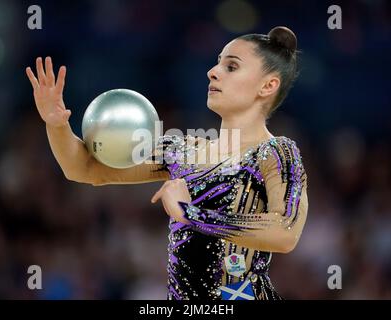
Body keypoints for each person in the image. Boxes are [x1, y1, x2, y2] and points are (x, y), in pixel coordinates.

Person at [26, 26, 308, 300]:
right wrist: (57, 125)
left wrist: (191, 214)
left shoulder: (276, 152)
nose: (212, 72)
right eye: (217, 63)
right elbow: (84, 170)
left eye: (231, 67)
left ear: (268, 85)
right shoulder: (182, 151)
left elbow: (284, 233)